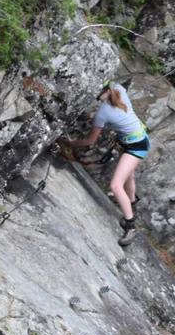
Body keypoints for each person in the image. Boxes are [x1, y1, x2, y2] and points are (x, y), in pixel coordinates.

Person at [63, 81, 151, 242]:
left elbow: (89, 140)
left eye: (98, 97)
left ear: (104, 91)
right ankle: (132, 206)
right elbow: (114, 111)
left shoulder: (102, 113)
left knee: (116, 185)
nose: (99, 100)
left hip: (135, 147)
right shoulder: (120, 91)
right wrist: (98, 117)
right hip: (139, 139)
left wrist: (70, 143)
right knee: (128, 177)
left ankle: (131, 225)